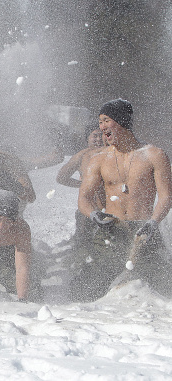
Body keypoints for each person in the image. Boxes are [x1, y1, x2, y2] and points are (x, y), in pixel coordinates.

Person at [72, 98, 172, 302]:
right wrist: (94, 215)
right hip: (111, 227)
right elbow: (84, 198)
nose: (101, 128)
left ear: (122, 121)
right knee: (88, 287)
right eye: (100, 122)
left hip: (143, 229)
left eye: (106, 121)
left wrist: (153, 222)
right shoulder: (99, 159)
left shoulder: (154, 154)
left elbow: (166, 196)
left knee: (163, 285)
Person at [56, 125, 105, 251]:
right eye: (95, 136)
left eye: (101, 135)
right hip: (88, 210)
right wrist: (83, 185)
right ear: (87, 139)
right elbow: (61, 177)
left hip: (111, 208)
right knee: (83, 248)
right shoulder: (82, 156)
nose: (99, 139)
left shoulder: (113, 154)